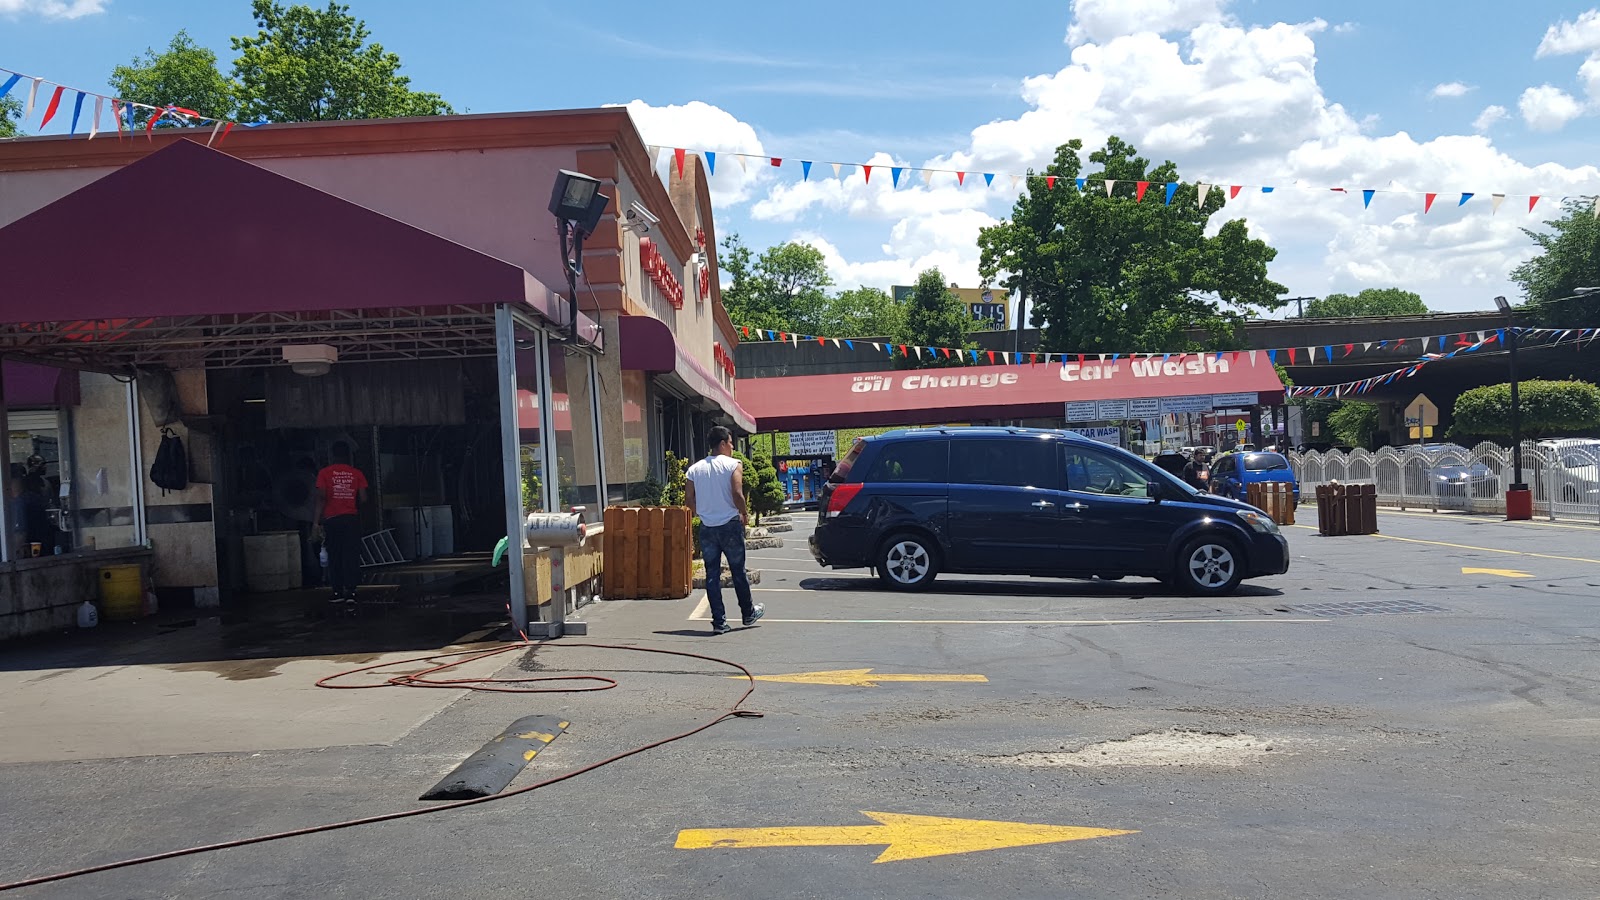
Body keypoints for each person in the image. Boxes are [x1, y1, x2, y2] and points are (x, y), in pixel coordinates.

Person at [685, 426, 763, 634]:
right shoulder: (733, 465)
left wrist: (700, 513)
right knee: (738, 570)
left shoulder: (694, 469)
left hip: (707, 526)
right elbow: (737, 493)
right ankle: (748, 613)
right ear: (722, 444)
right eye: (730, 443)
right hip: (729, 523)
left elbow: (689, 499)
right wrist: (744, 512)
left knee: (712, 574)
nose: (732, 447)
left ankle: (719, 621)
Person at [314, 442, 368, 604]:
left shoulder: (324, 473)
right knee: (350, 555)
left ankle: (337, 592)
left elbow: (321, 497)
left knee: (335, 555)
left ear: (332, 455)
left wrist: (316, 522)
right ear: (348, 456)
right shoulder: (357, 473)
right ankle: (350, 592)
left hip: (332, 520)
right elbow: (364, 499)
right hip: (350, 519)